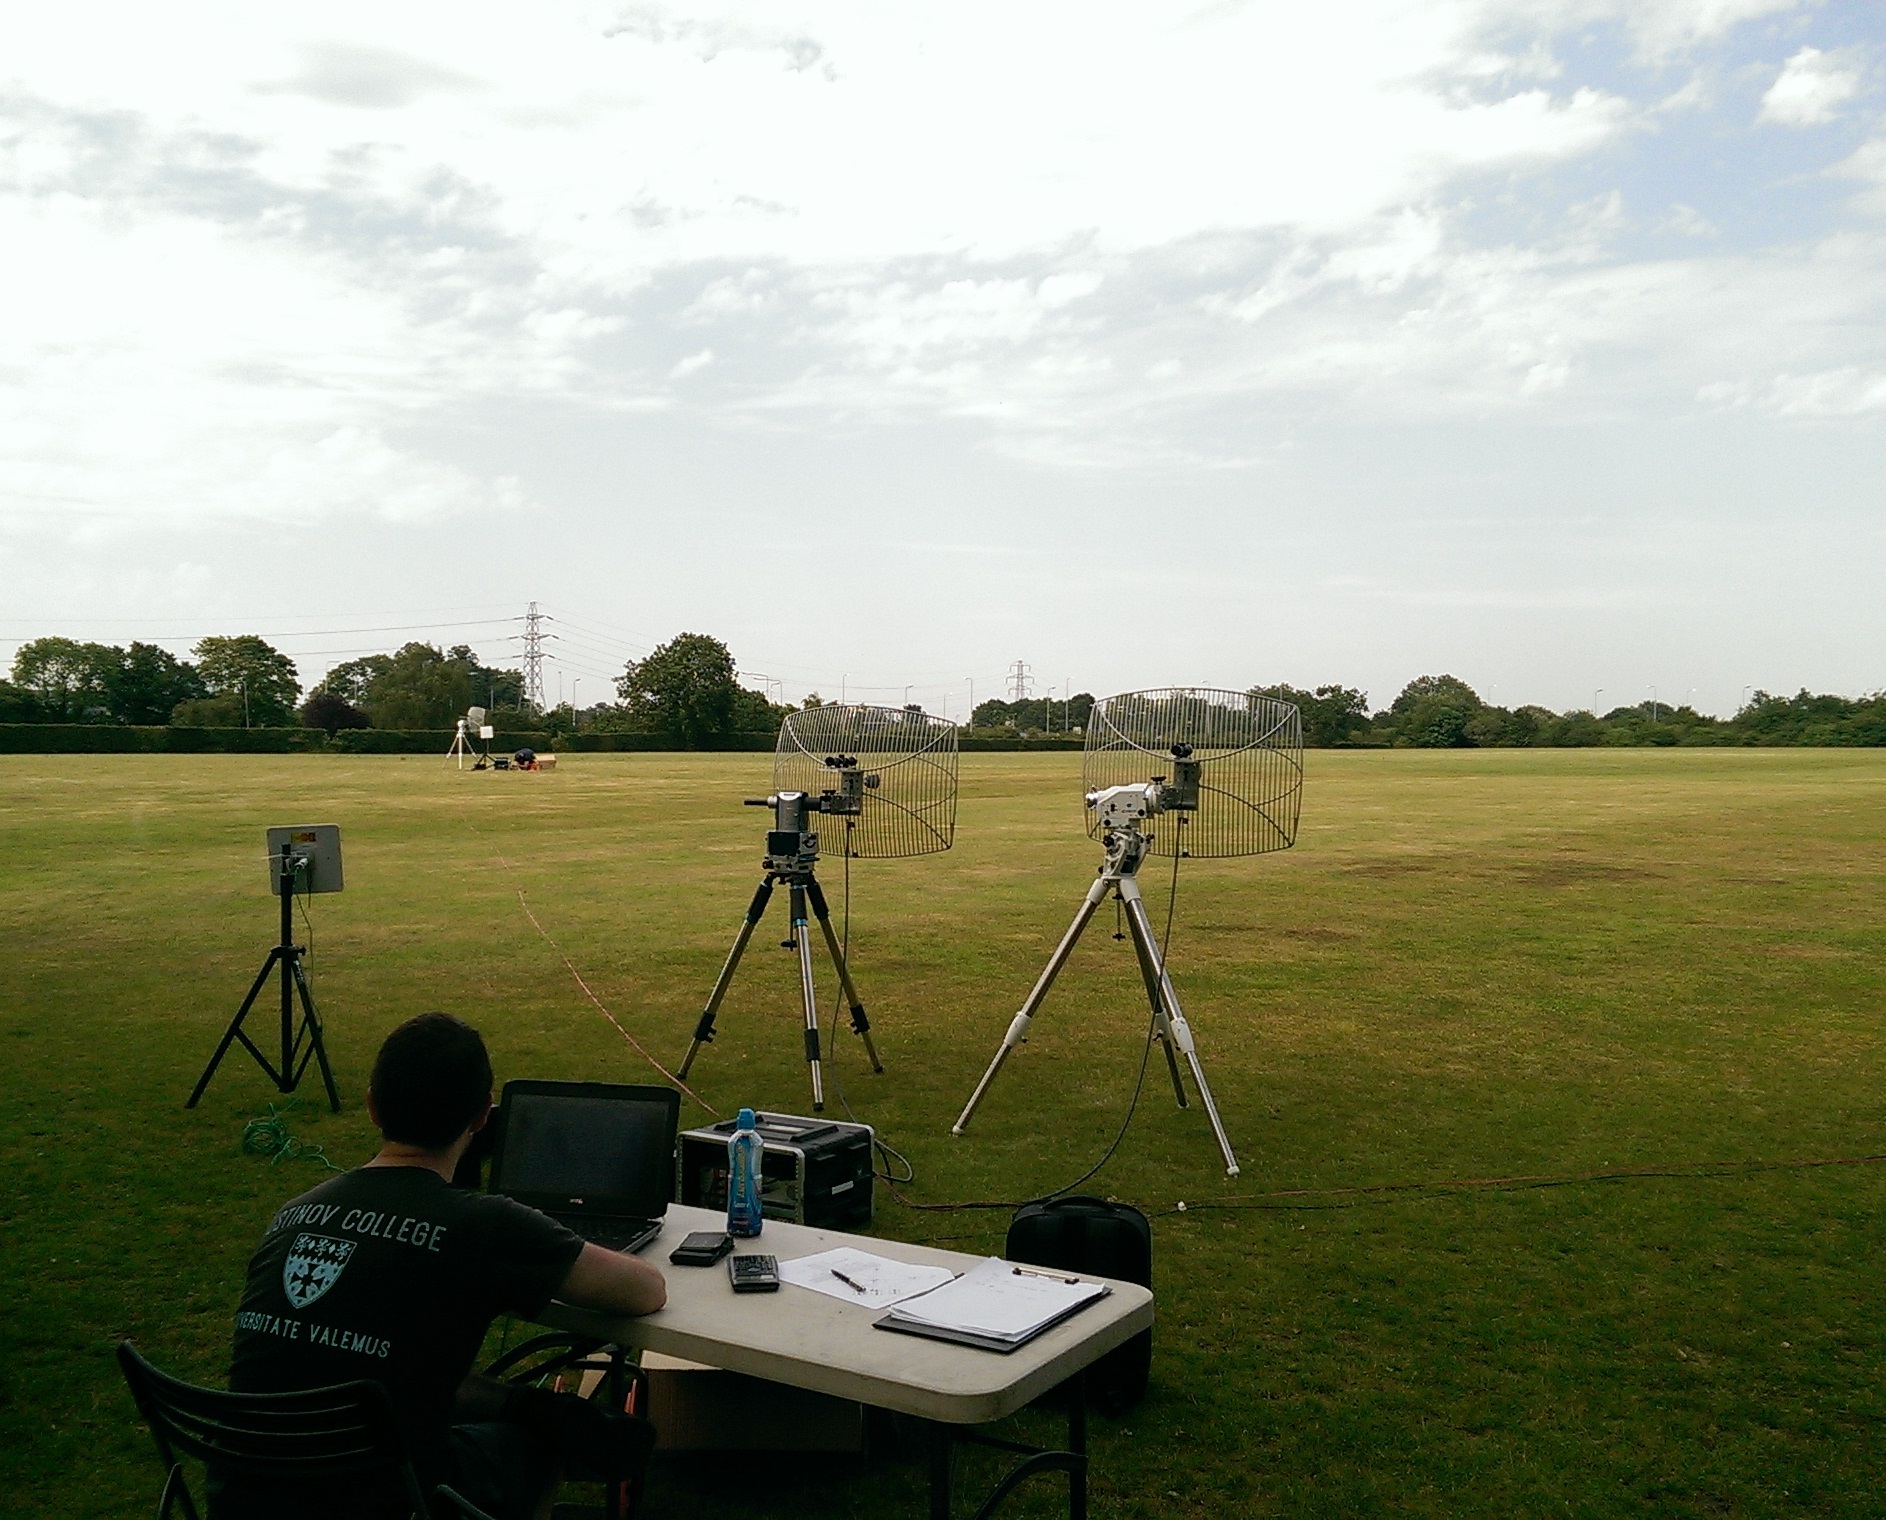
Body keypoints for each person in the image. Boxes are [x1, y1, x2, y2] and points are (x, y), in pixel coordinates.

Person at [215, 1013, 666, 1519]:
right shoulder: (484, 1224)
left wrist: (520, 1402)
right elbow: (643, 1290)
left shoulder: (293, 1214)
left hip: (246, 1498)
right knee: (544, 1441)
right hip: (389, 1500)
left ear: (372, 1107)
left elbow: (395, 1372)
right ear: (482, 1117)